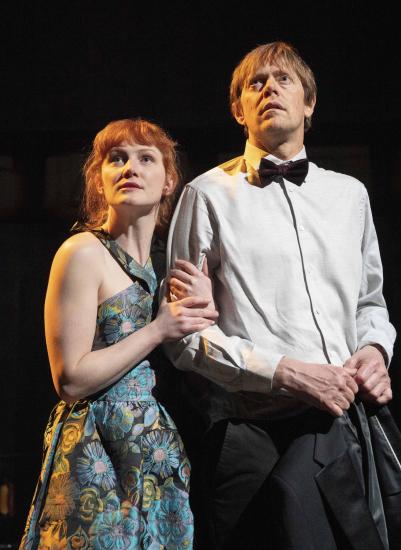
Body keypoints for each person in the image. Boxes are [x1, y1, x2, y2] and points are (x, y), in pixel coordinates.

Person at [165, 42, 399, 549]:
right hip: (251, 433)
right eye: (255, 83)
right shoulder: (205, 195)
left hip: (340, 429)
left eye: (283, 80)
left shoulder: (350, 196)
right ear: (238, 109)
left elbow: (370, 304)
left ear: (310, 103)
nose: (269, 88)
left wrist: (376, 350)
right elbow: (184, 338)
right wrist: (286, 372)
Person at [20, 118, 218, 549]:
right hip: (96, 455)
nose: (130, 167)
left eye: (145, 158)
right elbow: (70, 379)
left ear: (168, 181)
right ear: (99, 179)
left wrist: (207, 313)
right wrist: (159, 329)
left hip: (155, 453)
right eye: (117, 158)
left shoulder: (163, 271)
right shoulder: (82, 252)